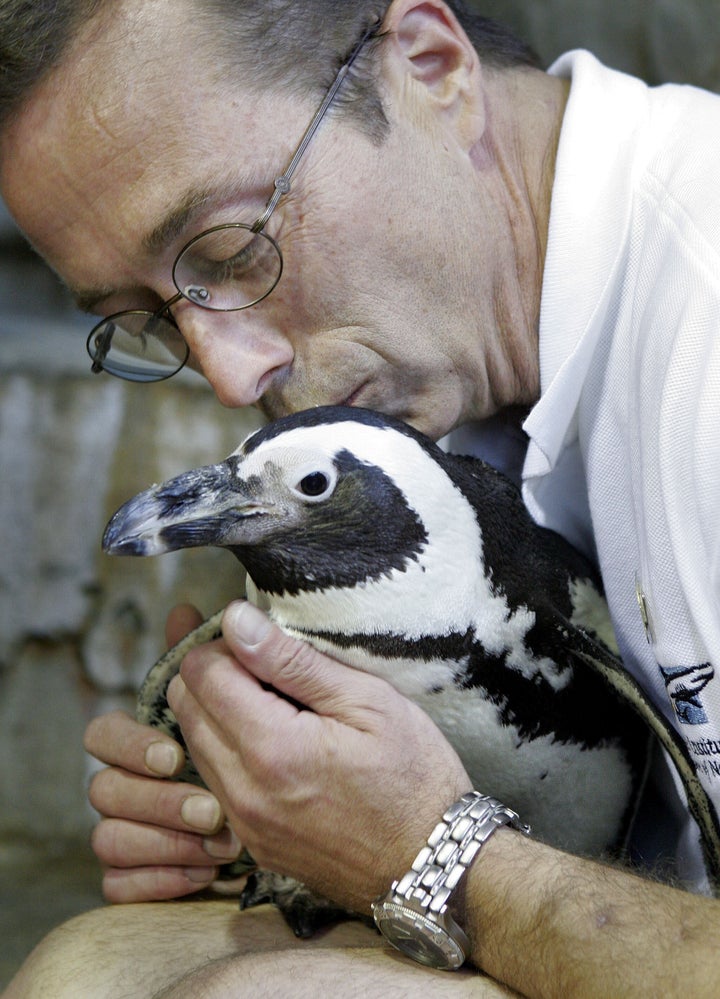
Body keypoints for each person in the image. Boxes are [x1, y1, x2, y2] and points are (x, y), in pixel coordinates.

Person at [2, 0, 720, 994]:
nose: (226, 375)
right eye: (149, 323)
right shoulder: (429, 380)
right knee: (86, 973)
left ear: (430, 66)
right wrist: (278, 821)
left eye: (233, 251)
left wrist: (439, 858)